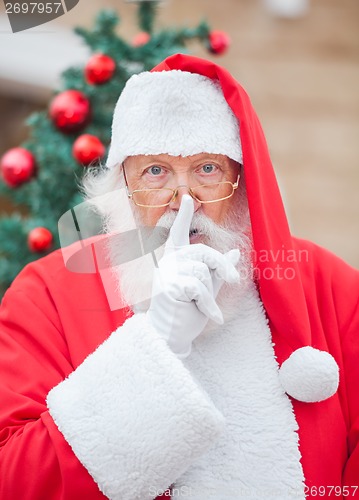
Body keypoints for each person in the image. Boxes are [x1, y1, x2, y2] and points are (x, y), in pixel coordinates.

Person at [0, 53, 358, 500]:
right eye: (155, 171)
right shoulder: (46, 293)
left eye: (208, 169)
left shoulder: (332, 285)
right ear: (121, 185)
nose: (182, 199)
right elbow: (17, 480)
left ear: (243, 184)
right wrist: (156, 342)